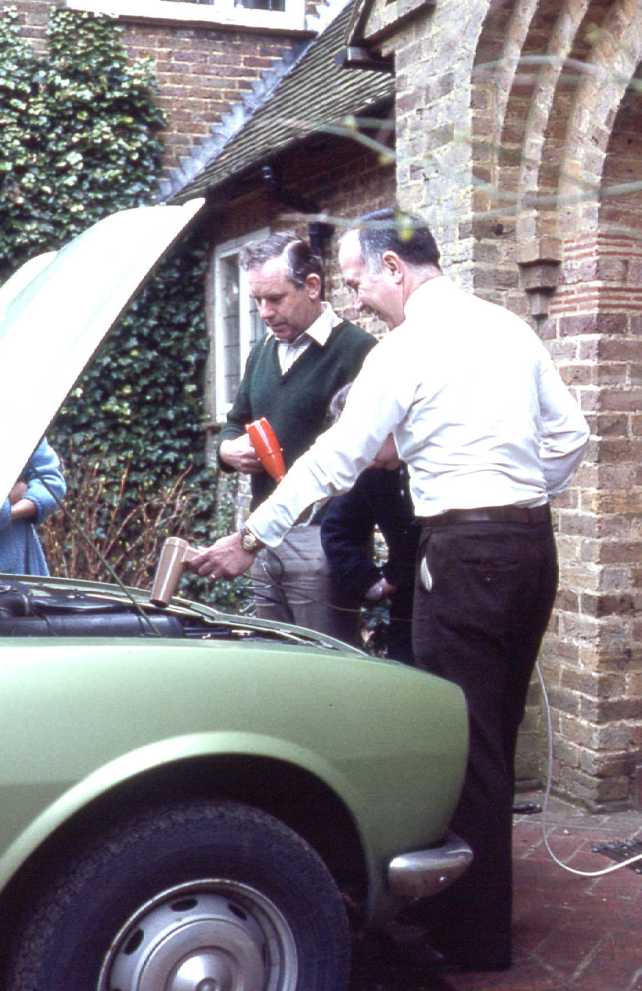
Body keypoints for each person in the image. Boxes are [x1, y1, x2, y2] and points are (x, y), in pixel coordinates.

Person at [190, 208, 589, 972]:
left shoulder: (403, 349)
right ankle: (481, 914)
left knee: (462, 742)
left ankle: (472, 939)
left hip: (462, 554)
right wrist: (513, 497)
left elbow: (333, 459)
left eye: (357, 281)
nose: (356, 298)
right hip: (532, 546)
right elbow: (571, 437)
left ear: (394, 269)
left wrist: (250, 538)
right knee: (495, 732)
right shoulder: (509, 329)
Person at [217, 231, 376, 638]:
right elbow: (237, 420)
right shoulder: (261, 353)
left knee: (325, 660)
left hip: (323, 540)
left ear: (312, 286)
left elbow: (367, 454)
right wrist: (228, 450)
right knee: (275, 658)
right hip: (262, 536)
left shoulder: (359, 351)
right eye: (257, 300)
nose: (264, 313)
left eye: (275, 298)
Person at [320, 386, 418, 663]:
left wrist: (398, 572)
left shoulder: (432, 459)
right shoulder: (371, 472)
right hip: (409, 606)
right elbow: (338, 529)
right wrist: (372, 582)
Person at [0, 438, 66, 576]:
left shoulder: (20, 429)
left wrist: (12, 511)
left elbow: (51, 483)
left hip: (17, 561)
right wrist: (9, 500)